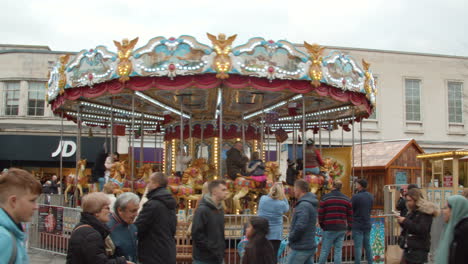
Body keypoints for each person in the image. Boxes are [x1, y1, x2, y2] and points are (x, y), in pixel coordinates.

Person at [66, 192, 131, 264]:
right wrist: (122, 262)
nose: (110, 212)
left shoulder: (85, 227)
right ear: (96, 212)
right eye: (107, 208)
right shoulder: (91, 234)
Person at [0, 168, 42, 264]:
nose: (36, 207)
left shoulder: (9, 234)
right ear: (13, 201)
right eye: (32, 200)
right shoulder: (4, 239)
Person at [135, 172, 177, 264]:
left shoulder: (153, 204)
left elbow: (139, 227)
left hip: (153, 253)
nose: (147, 185)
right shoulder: (169, 204)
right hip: (168, 251)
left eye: (149, 182)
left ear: (156, 184)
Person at [397, 188, 439, 264]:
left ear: (416, 200)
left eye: (410, 200)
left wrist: (405, 221)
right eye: (407, 200)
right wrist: (402, 222)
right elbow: (410, 227)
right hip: (409, 248)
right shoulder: (413, 211)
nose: (408, 203)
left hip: (419, 250)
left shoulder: (425, 212)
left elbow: (421, 229)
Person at [192, 180, 229, 264]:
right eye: (223, 190)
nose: (226, 192)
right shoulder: (202, 210)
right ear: (214, 192)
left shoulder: (220, 210)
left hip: (217, 256)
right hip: (204, 258)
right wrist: (211, 248)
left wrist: (221, 249)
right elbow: (196, 234)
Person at [318, 180, 353, 264]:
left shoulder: (325, 198)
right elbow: (350, 215)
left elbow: (320, 214)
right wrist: (349, 228)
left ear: (332, 186)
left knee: (325, 250)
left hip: (328, 227)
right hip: (341, 228)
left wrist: (322, 225)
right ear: (341, 187)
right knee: (338, 250)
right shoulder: (347, 199)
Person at [287, 179, 318, 264]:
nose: (294, 191)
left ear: (300, 190)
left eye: (295, 189)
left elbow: (300, 225)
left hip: (300, 246)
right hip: (308, 244)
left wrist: (291, 238)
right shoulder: (309, 203)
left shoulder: (303, 205)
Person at [257, 182, 289, 260]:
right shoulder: (281, 204)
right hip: (275, 235)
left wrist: (272, 191)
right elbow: (287, 208)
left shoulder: (263, 199)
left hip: (262, 232)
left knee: (262, 257)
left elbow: (269, 196)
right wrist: (283, 195)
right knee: (273, 257)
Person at [107, 192, 140, 263]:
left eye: (137, 210)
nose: (136, 214)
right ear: (120, 210)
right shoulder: (107, 229)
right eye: (133, 211)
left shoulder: (132, 225)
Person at [435, 195, 468, 264]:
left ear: (456, 209)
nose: (443, 211)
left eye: (446, 208)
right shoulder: (452, 228)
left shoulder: (463, 231)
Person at [351, 179, 374, 264]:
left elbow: (351, 209)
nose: (355, 185)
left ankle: (358, 262)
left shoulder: (355, 197)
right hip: (367, 223)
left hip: (357, 224)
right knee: (367, 245)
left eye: (356, 184)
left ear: (360, 185)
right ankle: (370, 262)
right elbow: (370, 208)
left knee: (358, 247)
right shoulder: (370, 196)